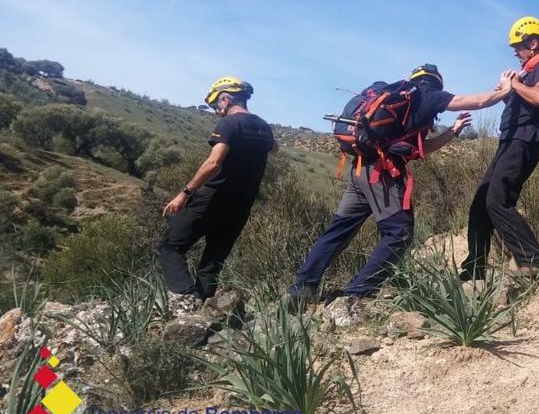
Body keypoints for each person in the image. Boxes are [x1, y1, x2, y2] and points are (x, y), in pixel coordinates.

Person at [288, 65, 511, 304]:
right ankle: (358, 292)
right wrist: (503, 91)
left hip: (359, 169)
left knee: (339, 230)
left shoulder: (402, 102)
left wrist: (452, 132)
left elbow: (419, 150)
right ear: (436, 83)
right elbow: (475, 101)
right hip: (381, 173)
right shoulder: (427, 95)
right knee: (399, 232)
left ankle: (302, 288)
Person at [460, 17, 539, 281]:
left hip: (525, 140)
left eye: (518, 46)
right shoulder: (528, 72)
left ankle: (533, 260)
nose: (515, 52)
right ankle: (474, 268)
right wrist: (508, 91)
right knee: (481, 203)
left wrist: (513, 86)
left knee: (497, 200)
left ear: (533, 43)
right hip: (510, 140)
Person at [158, 76, 275, 302]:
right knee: (212, 261)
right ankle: (204, 306)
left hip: (213, 198)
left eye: (215, 105)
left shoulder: (229, 124)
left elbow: (213, 162)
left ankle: (186, 297)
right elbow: (274, 149)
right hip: (242, 204)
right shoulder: (263, 127)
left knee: (171, 246)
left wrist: (184, 193)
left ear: (225, 99)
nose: (216, 110)